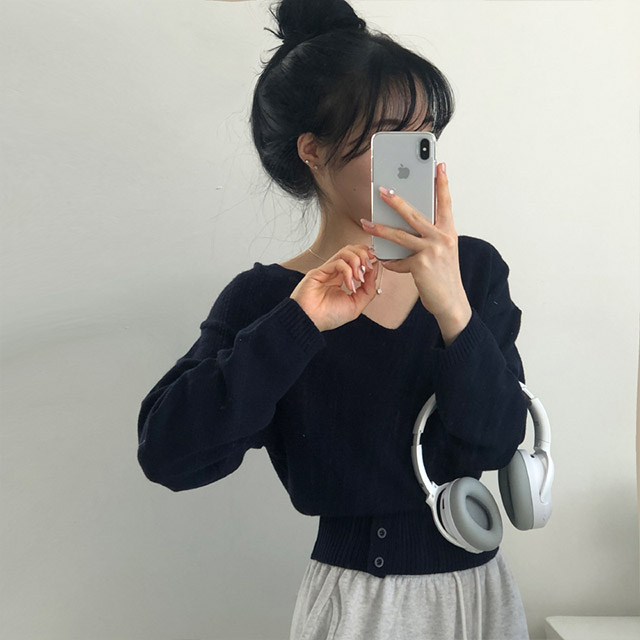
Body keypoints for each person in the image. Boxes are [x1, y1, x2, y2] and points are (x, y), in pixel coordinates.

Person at [137, 0, 531, 638]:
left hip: (476, 597)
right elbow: (170, 455)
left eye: (425, 135)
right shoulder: (266, 300)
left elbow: (496, 440)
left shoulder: (474, 272)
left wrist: (451, 306)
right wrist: (297, 324)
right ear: (313, 151)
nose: (415, 159)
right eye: (389, 138)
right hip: (355, 607)